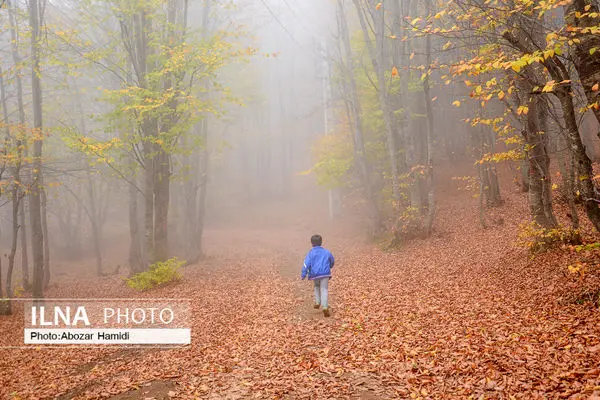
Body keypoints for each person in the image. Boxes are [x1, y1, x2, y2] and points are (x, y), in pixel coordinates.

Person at [301, 234, 335, 317]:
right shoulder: (327, 252)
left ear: (312, 243)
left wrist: (303, 274)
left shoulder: (311, 253)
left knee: (316, 286)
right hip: (325, 274)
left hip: (315, 274)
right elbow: (332, 261)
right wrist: (329, 266)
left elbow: (306, 264)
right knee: (324, 289)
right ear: (321, 242)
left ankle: (317, 301)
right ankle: (325, 306)